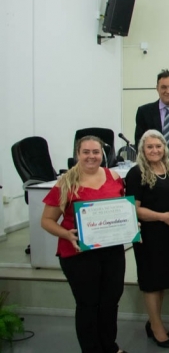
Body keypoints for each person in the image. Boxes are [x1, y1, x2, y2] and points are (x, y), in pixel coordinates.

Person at [41, 136, 128, 353]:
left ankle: (110, 346)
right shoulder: (66, 183)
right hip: (78, 252)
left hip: (112, 250)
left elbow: (121, 210)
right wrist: (66, 234)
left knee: (110, 302)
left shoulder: (114, 177)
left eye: (96, 152)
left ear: (103, 154)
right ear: (77, 154)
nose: (91, 156)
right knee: (88, 304)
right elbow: (46, 221)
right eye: (86, 152)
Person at [125, 130, 169, 348]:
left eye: (158, 146)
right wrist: (161, 217)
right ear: (142, 150)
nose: (155, 150)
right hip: (148, 235)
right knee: (151, 284)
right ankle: (157, 329)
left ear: (164, 148)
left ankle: (154, 322)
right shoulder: (136, 173)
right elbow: (133, 209)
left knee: (163, 281)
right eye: (150, 147)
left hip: (168, 234)